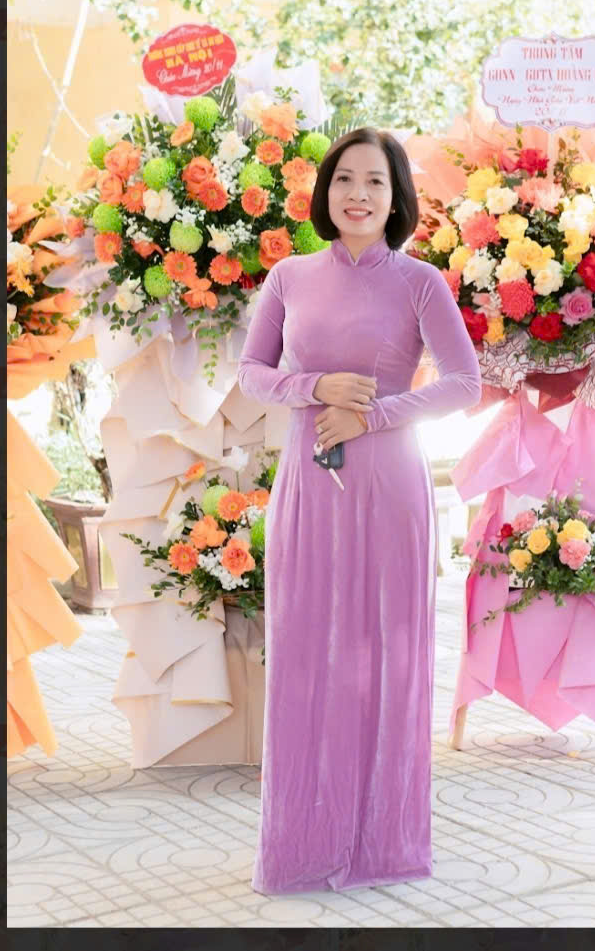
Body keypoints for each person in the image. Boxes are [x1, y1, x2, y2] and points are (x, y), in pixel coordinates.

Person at [237, 127, 482, 894]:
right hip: (309, 488)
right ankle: (303, 845)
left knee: (386, 655)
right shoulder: (289, 277)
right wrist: (315, 389)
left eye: (376, 181)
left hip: (391, 488)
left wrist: (373, 414)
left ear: (396, 196)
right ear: (326, 190)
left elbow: (465, 383)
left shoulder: (420, 283)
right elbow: (251, 371)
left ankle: (383, 843)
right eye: (345, 178)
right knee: (307, 654)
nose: (358, 194)